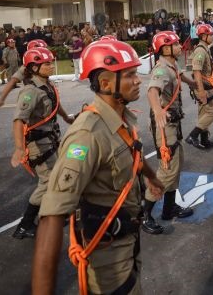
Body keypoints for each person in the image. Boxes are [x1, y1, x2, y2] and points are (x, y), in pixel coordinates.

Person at [32, 39, 164, 295]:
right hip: (107, 254)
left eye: (136, 73)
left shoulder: (120, 118)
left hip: (128, 239)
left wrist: (151, 177)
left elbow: (133, 149)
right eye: (130, 75)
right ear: (105, 83)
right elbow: (52, 215)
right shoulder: (87, 134)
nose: (138, 80)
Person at [9, 47, 73, 239]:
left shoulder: (47, 85)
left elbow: (56, 104)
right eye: (46, 64)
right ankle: (25, 225)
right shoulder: (30, 91)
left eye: (50, 62)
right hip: (38, 143)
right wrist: (19, 148)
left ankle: (53, 213)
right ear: (34, 67)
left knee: (60, 174)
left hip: (51, 138)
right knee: (47, 182)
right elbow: (19, 120)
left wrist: (67, 118)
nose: (50, 66)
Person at [141, 31, 196, 235]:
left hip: (174, 125)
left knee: (176, 166)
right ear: (165, 48)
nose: (180, 45)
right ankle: (145, 214)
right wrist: (158, 111)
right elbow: (152, 90)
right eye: (175, 44)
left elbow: (180, 75)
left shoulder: (171, 65)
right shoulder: (162, 69)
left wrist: (195, 84)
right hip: (165, 127)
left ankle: (169, 208)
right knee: (166, 171)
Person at [185, 24, 213, 150]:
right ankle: (192, 136)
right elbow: (196, 71)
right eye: (211, 35)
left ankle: (204, 140)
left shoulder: (205, 48)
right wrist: (201, 92)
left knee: (203, 114)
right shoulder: (201, 51)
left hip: (206, 86)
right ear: (204, 36)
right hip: (204, 88)